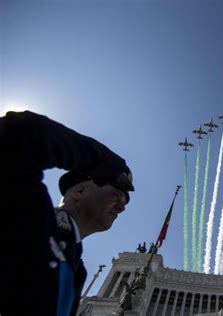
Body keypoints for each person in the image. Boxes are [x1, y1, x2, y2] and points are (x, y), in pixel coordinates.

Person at [0, 111, 134, 316]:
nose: (121, 207)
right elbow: (19, 133)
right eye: (117, 194)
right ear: (79, 192)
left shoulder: (77, 270)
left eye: (124, 202)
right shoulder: (31, 215)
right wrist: (108, 162)